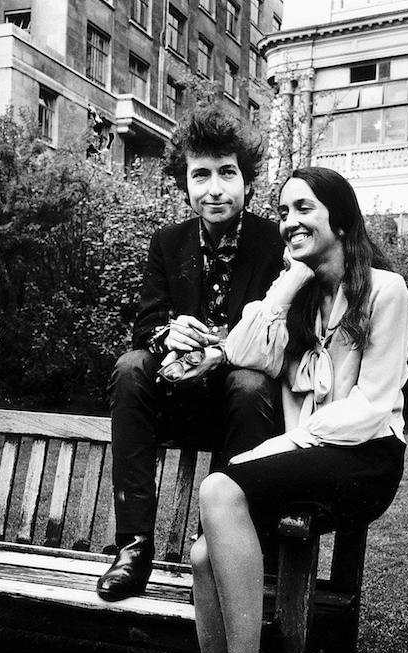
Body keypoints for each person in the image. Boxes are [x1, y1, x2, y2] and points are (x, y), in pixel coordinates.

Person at [167, 166, 408, 653]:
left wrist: (290, 441)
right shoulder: (300, 299)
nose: (291, 218)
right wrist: (284, 282)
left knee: (222, 488)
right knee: (203, 552)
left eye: (304, 208)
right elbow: (243, 353)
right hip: (308, 453)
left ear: (340, 215)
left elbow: (370, 405)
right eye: (283, 210)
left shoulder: (384, 292)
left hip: (365, 460)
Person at [97, 105, 284, 601]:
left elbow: (287, 330)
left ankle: (219, 548)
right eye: (201, 175)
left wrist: (222, 346)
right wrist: (167, 334)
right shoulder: (168, 242)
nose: (215, 188)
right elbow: (146, 323)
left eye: (227, 172)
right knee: (130, 365)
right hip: (176, 400)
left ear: (247, 179)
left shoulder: (274, 243)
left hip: (243, 407)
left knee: (249, 384)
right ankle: (133, 549)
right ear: (186, 183)